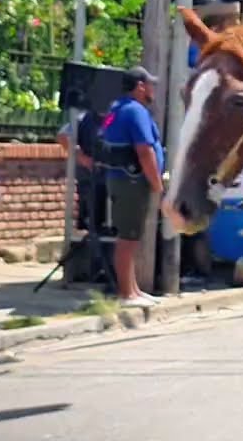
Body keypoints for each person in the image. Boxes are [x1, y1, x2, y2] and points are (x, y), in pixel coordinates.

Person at [100, 66, 165, 309]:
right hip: (132, 181)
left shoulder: (115, 109)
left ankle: (134, 290)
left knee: (131, 236)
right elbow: (144, 151)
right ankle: (126, 294)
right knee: (128, 238)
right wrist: (157, 184)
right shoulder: (136, 111)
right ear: (140, 86)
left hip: (121, 179)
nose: (153, 89)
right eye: (151, 84)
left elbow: (103, 132)